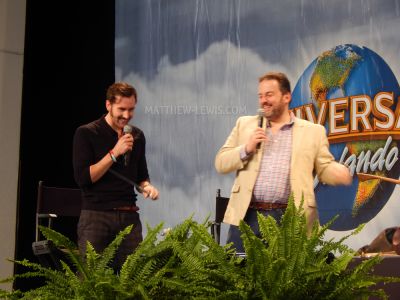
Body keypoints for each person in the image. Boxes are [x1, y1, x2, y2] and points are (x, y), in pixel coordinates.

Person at [215, 71, 352, 253]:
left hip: (289, 218)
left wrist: (338, 173)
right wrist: (246, 149)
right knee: (239, 275)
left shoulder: (312, 132)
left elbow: (324, 167)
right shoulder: (245, 125)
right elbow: (221, 162)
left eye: (269, 95)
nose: (263, 100)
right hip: (247, 216)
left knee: (287, 280)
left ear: (286, 97)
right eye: (260, 96)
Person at [73, 82, 159, 271]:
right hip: (96, 216)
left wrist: (146, 186)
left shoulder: (137, 136)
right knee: (92, 280)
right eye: (122, 109)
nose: (126, 115)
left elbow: (141, 176)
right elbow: (84, 179)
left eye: (131, 110)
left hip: (129, 217)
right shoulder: (87, 133)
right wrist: (114, 153)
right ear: (108, 105)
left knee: (132, 280)